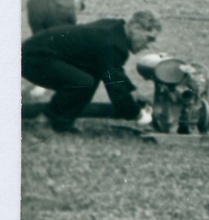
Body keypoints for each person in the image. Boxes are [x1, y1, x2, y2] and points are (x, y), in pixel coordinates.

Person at [21, 10, 160, 133]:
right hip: (34, 57)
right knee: (83, 82)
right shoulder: (113, 44)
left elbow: (113, 69)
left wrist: (132, 90)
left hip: (36, 53)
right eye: (149, 38)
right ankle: (45, 121)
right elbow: (116, 90)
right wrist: (138, 115)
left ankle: (62, 122)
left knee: (90, 76)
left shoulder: (115, 29)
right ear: (135, 28)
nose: (148, 45)